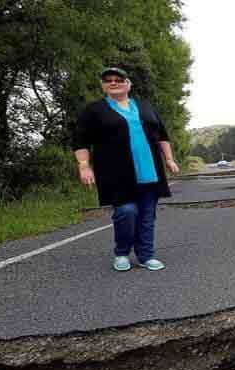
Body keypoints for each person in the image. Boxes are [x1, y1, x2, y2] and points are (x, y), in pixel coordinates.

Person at [73, 67, 180, 271]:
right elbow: (80, 140)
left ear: (128, 83)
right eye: (108, 80)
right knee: (126, 211)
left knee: (147, 215)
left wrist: (169, 159)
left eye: (118, 79)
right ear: (103, 85)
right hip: (115, 174)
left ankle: (146, 255)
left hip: (150, 171)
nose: (113, 83)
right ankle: (122, 253)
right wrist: (84, 166)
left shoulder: (145, 106)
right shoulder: (95, 110)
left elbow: (162, 136)